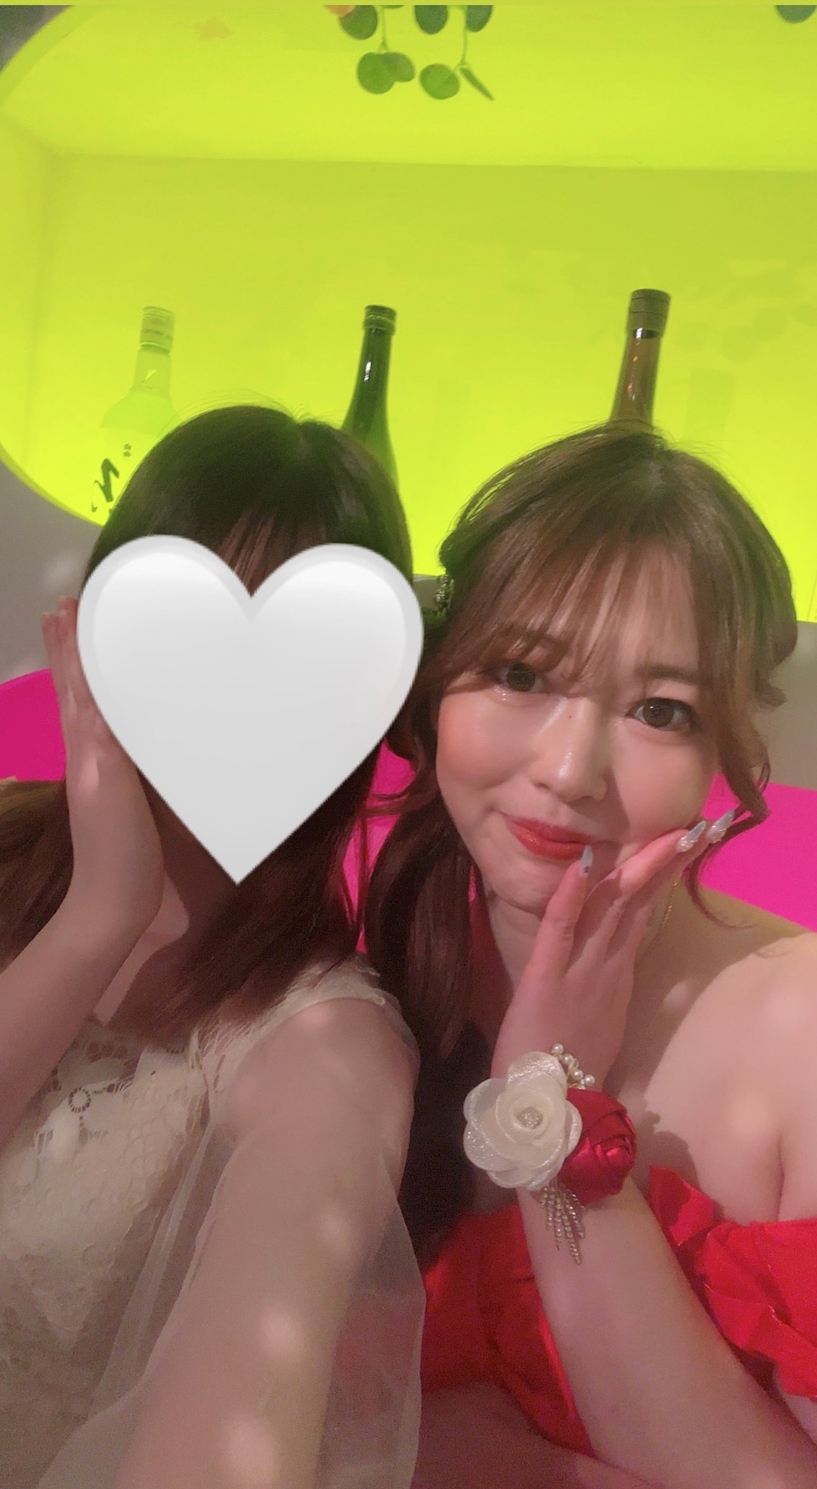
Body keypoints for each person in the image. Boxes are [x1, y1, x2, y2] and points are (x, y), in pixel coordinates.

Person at [363, 423, 817, 1489]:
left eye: (661, 710)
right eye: (521, 672)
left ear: (725, 747)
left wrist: (554, 1114)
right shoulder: (367, 995)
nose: (572, 769)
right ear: (437, 685)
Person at [0, 405, 425, 1489]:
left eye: (293, 666)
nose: (226, 704)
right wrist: (96, 914)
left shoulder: (325, 1036)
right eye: (180, 642)